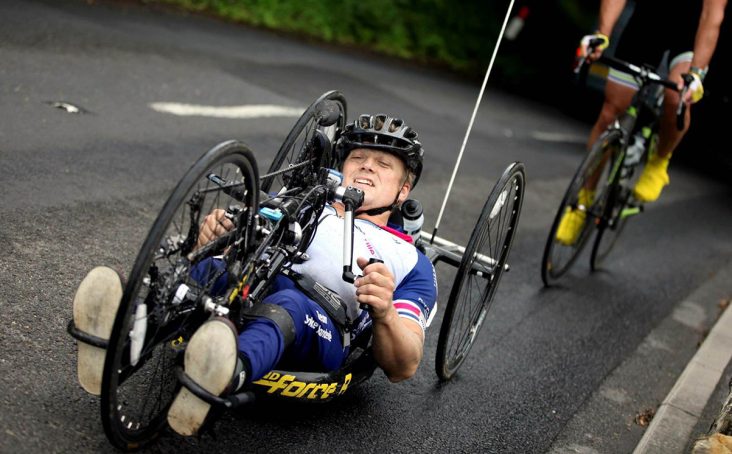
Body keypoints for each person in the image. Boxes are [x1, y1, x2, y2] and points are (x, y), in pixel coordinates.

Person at [71, 114, 438, 436]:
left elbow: (403, 366)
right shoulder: (302, 200)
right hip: (252, 284)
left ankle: (225, 371)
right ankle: (126, 338)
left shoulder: (410, 260)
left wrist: (385, 311)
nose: (366, 166)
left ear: (403, 189)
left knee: (288, 305)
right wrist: (216, 236)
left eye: (383, 164)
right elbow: (240, 239)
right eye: (357, 157)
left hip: (319, 324)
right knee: (210, 270)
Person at [555, 0, 727, 245]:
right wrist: (601, 34)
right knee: (609, 113)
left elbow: (712, 17)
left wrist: (696, 74)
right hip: (646, 26)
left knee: (676, 98)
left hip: (689, 37)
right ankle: (582, 203)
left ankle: (659, 160)